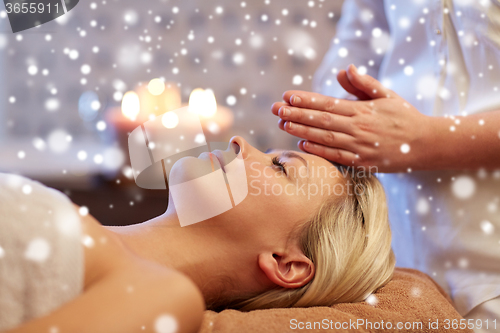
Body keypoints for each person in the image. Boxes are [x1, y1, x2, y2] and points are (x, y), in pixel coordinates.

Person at [0, 136, 395, 333]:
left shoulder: (164, 295)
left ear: (286, 263)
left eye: (280, 167)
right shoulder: (89, 230)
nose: (240, 141)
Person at [272, 0, 500, 329]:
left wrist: (425, 139)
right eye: (278, 166)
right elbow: (358, 44)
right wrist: (336, 122)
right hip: (403, 252)